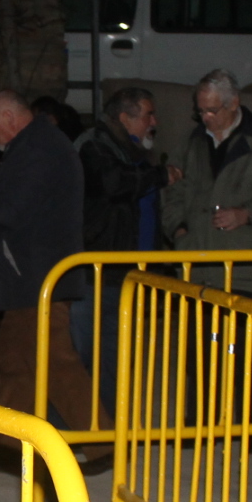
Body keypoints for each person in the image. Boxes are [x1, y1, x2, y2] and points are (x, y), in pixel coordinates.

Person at [0, 91, 106, 430]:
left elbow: (11, 211)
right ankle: (11, 441)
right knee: (14, 365)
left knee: (55, 366)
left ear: (9, 118)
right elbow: (15, 194)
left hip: (38, 277)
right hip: (31, 277)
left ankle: (101, 442)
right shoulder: (35, 145)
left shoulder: (38, 150)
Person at [77, 86, 178, 404]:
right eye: (148, 115)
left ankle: (108, 425)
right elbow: (114, 184)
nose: (154, 122)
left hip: (129, 276)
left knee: (116, 361)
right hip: (96, 275)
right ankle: (68, 425)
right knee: (82, 359)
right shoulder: (94, 147)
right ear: (124, 117)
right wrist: (159, 176)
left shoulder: (135, 152)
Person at [162, 70, 252, 295]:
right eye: (200, 111)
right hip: (194, 270)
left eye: (212, 110)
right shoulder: (191, 142)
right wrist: (179, 230)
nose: (205, 118)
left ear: (234, 103)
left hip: (243, 273)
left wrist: (247, 214)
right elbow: (171, 192)